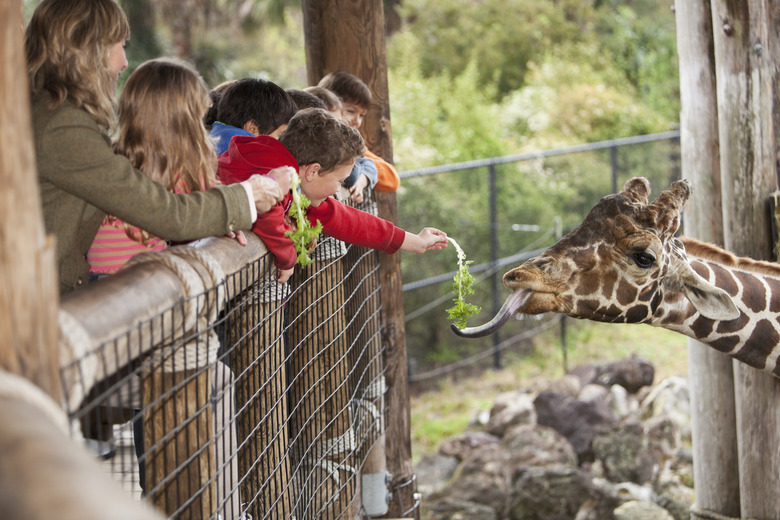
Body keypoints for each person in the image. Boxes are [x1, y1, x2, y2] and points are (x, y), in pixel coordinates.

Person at [25, 0, 290, 296]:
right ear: (86, 48)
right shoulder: (63, 126)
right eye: (119, 44)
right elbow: (164, 211)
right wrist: (249, 195)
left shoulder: (55, 117)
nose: (124, 62)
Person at [217, 108, 448, 283]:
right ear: (313, 171)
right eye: (338, 181)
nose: (338, 190)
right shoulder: (274, 174)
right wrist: (287, 257)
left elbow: (349, 220)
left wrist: (414, 241)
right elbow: (267, 210)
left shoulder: (295, 182)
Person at [316, 70, 401, 192]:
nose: (358, 122)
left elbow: (392, 180)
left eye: (361, 115)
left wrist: (364, 175)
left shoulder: (349, 145)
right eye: (350, 111)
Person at [304, 85, 378, 204]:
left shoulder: (341, 145)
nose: (335, 129)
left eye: (337, 123)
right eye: (350, 111)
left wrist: (362, 181)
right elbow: (352, 176)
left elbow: (368, 163)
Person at [209, 77, 298, 156]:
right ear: (252, 129)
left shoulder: (212, 139)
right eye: (280, 135)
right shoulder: (248, 156)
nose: (283, 142)